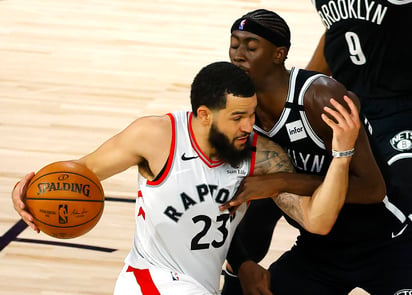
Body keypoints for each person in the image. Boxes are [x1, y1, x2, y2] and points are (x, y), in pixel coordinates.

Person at [11, 61, 359, 295]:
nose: (248, 125)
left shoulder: (261, 155)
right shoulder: (156, 136)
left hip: (201, 285)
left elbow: (319, 220)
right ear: (204, 115)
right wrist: (23, 190)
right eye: (238, 117)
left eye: (252, 114)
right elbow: (80, 172)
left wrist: (342, 154)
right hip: (148, 280)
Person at [221, 9, 412, 295]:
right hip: (319, 253)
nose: (238, 54)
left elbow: (373, 189)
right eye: (234, 44)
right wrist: (242, 262)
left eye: (251, 46)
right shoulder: (240, 112)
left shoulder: (321, 97)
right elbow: (223, 202)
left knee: (267, 187)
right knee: (252, 197)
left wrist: (283, 181)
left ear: (278, 54)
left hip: (387, 245)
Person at [307, 0, 412, 239]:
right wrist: (302, 86)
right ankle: (236, 270)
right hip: (349, 107)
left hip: (401, 106)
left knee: (404, 187)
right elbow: (339, 28)